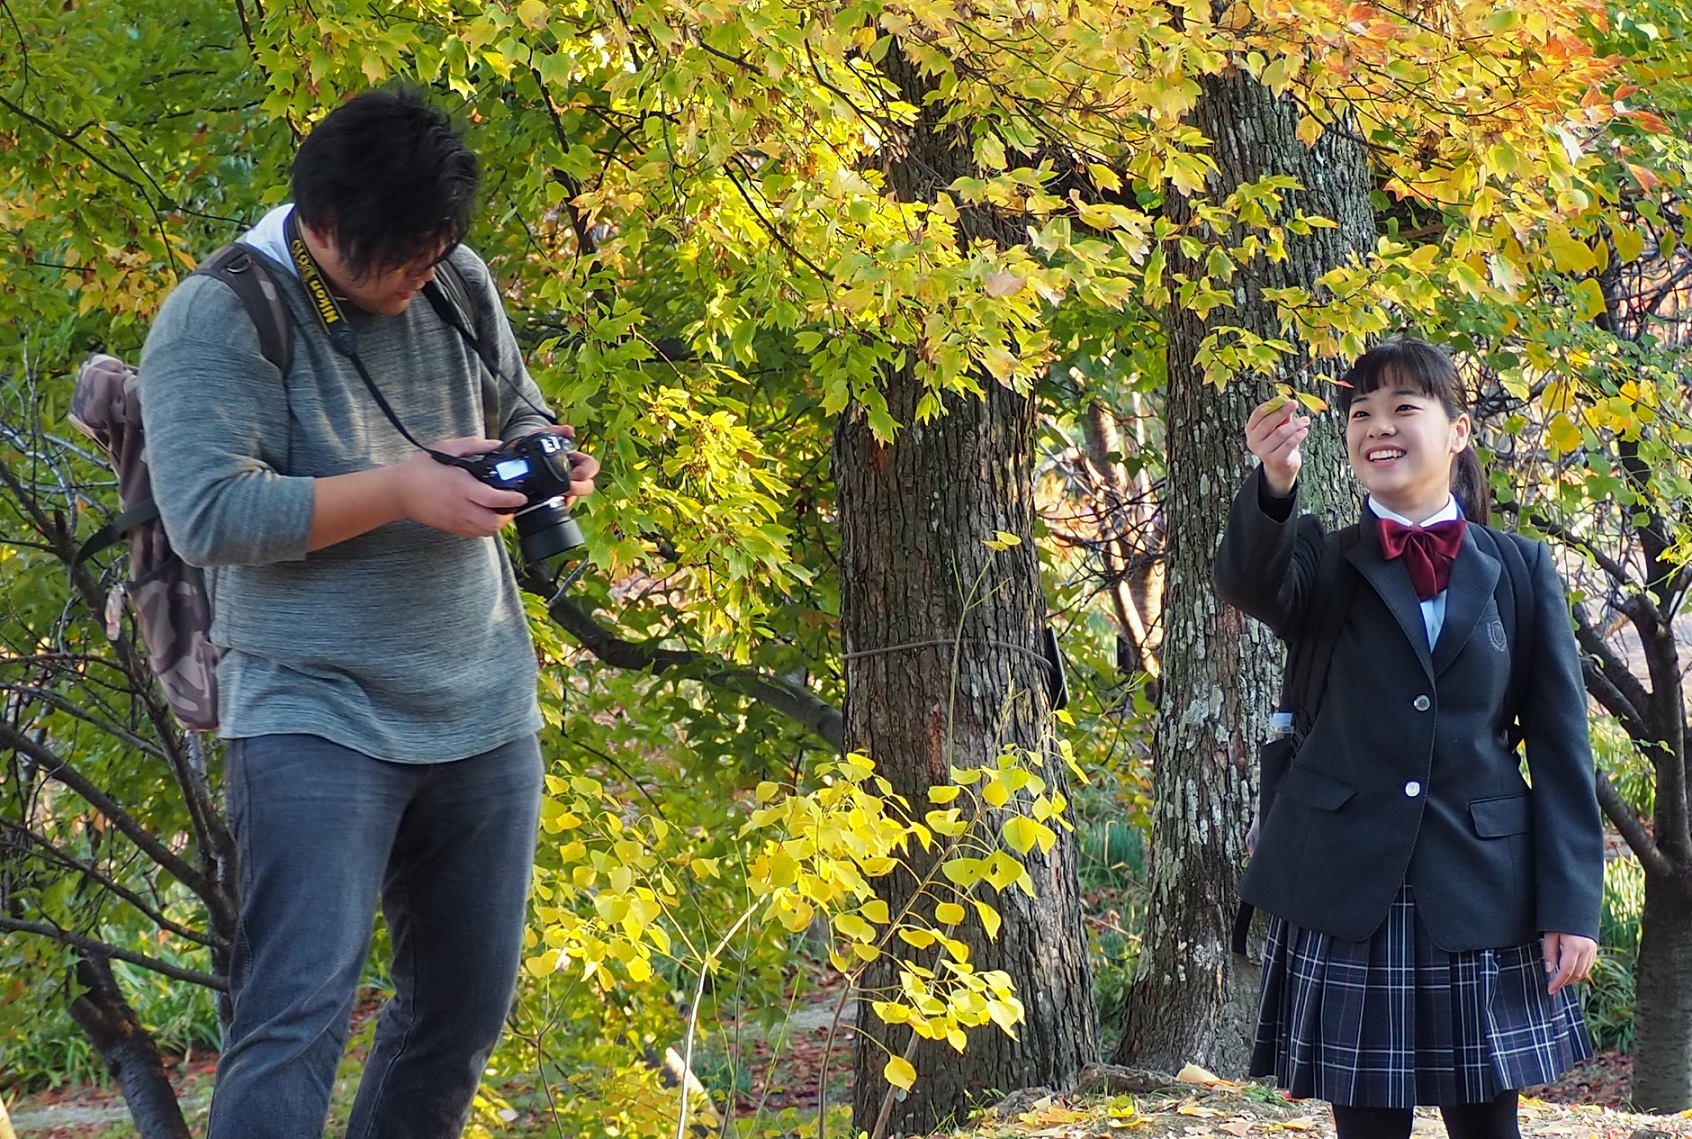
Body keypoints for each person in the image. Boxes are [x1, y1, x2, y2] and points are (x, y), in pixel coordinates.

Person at [139, 88, 599, 1139]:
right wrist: (402, 488)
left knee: (458, 1015)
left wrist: (550, 463)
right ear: (327, 227)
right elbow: (208, 513)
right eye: (401, 259)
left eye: (438, 252)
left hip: (479, 700)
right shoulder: (219, 312)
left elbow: (514, 406)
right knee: (296, 1016)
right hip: (313, 708)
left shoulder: (454, 278)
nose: (421, 276)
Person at [1214, 338, 1603, 1139]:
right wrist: (1275, 484)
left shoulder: (1521, 570)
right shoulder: (1323, 559)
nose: (1377, 426)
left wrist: (1573, 904)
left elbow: (1563, 749)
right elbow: (1248, 581)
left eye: (1403, 408)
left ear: (1457, 431)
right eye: (1361, 413)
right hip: (1349, 881)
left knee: (1490, 1131)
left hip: (1483, 886)